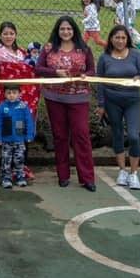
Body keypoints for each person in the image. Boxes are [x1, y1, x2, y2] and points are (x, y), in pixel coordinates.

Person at [35, 15, 97, 192]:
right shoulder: (48, 48)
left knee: (81, 135)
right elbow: (38, 68)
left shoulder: (84, 49)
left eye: (69, 29)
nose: (66, 32)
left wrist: (88, 75)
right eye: (62, 29)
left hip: (79, 97)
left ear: (74, 30)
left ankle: (87, 177)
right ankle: (63, 175)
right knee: (60, 136)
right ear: (57, 30)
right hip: (54, 98)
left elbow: (92, 69)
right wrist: (55, 72)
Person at [0, 21, 38, 181]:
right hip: (7, 103)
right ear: (0, 35)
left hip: (25, 102)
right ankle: (7, 170)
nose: (8, 36)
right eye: (5, 33)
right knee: (8, 134)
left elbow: (33, 67)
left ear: (16, 35)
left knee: (21, 133)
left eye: (11, 33)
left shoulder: (22, 52)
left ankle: (21, 168)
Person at [95, 25, 140, 191]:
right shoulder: (104, 58)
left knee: (133, 136)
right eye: (117, 37)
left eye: (123, 38)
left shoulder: (135, 55)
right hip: (112, 101)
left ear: (128, 39)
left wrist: (139, 77)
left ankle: (134, 174)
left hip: (132, 100)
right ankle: (122, 171)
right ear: (111, 39)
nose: (120, 41)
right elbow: (100, 82)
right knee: (117, 133)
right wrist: (101, 104)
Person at [0, 84, 35, 189]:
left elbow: (29, 121)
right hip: (6, 139)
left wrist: (29, 135)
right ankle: (6, 178)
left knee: (19, 158)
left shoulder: (23, 106)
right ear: (5, 94)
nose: (11, 95)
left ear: (19, 94)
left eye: (14, 93)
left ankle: (20, 176)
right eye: (9, 93)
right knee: (6, 159)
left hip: (19, 138)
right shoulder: (2, 107)